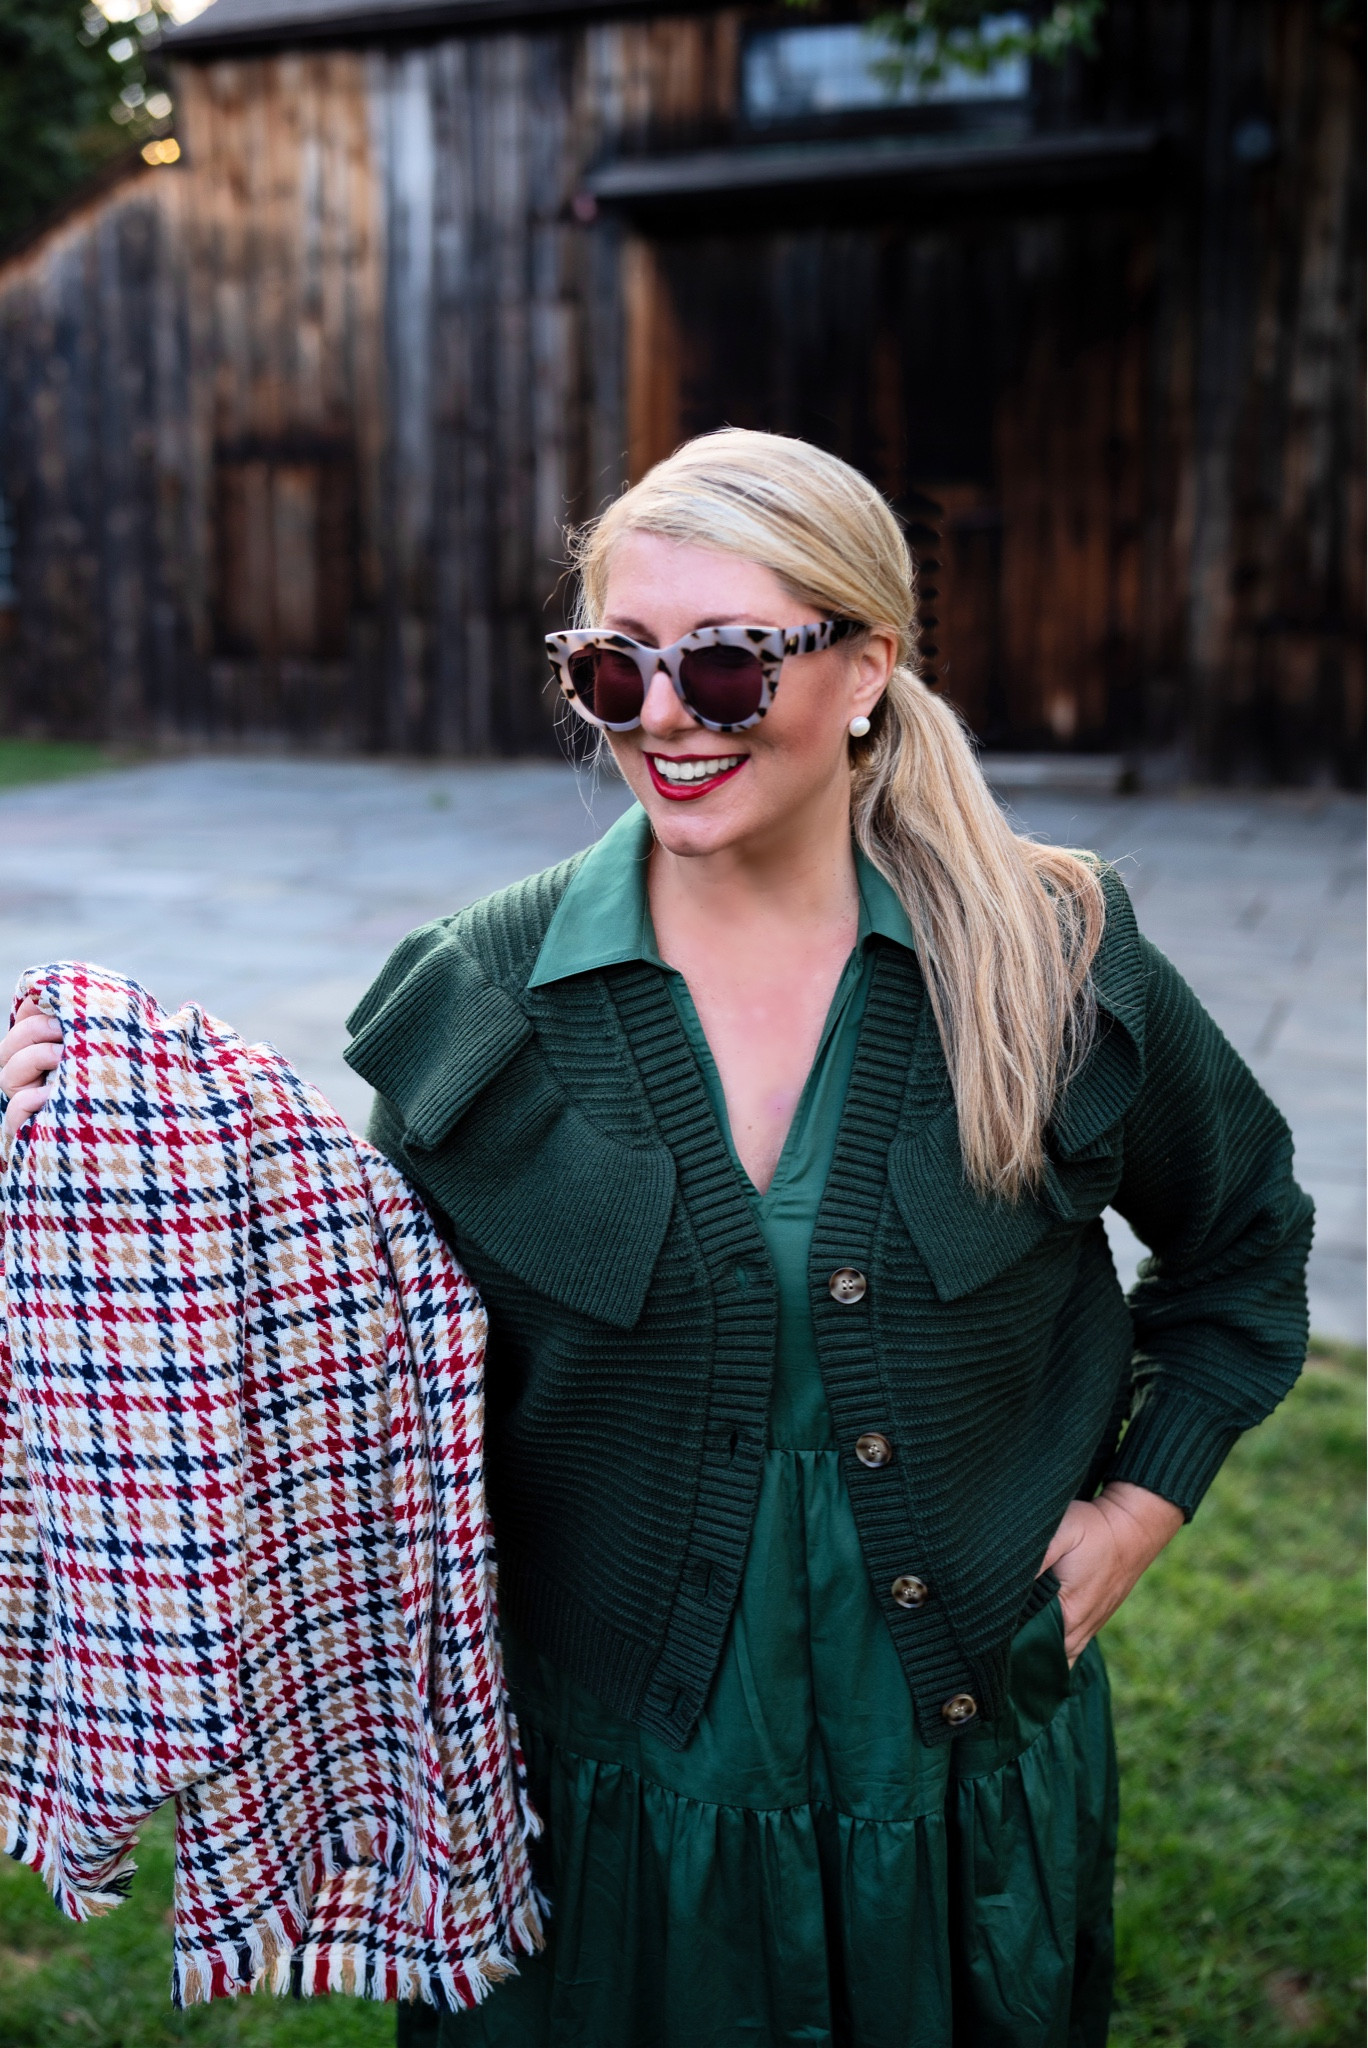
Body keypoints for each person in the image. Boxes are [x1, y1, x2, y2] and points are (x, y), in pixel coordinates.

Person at [1, 430, 1313, 2048]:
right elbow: (341, 1339)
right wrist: (83, 1139)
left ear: (867, 670)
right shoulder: (483, 999)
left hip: (954, 1792)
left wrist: (1141, 1505)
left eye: (730, 665)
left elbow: (1245, 1243)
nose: (667, 717)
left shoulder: (1054, 962)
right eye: (615, 670)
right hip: (598, 1825)